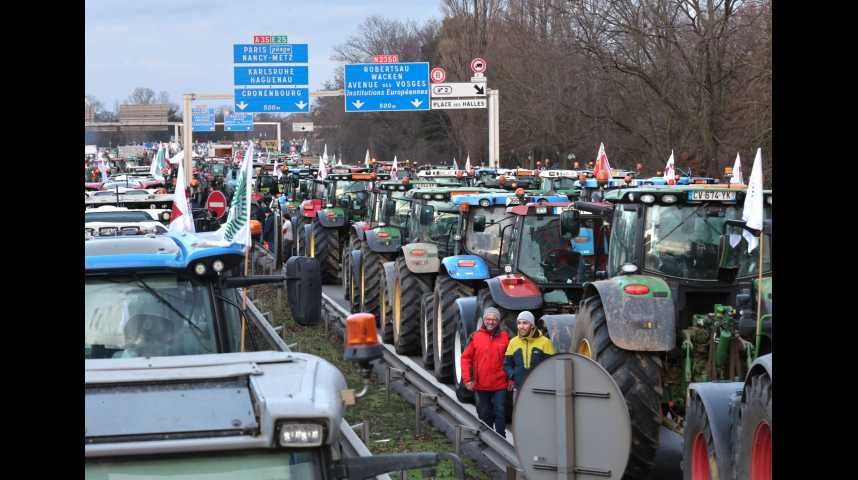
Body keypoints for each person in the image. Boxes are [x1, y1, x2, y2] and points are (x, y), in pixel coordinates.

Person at [460, 307, 511, 435]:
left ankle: (501, 438)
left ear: (498, 321)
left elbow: (511, 360)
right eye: (488, 319)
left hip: (500, 384)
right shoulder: (475, 337)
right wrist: (467, 380)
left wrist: (511, 379)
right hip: (481, 384)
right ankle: (488, 438)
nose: (491, 322)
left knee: (500, 411)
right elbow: (465, 359)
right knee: (485, 412)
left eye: (494, 320)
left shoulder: (505, 337)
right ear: (484, 320)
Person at [504, 311, 556, 393]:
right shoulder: (513, 342)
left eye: (525, 323)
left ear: (532, 325)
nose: (521, 326)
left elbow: (552, 365)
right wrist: (513, 375)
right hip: (519, 387)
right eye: (519, 323)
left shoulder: (545, 342)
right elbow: (507, 364)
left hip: (539, 388)